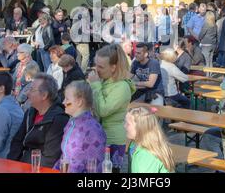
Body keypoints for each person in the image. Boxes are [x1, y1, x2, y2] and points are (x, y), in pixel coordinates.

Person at [87, 44, 135, 172]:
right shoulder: (104, 80)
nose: (96, 70)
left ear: (114, 67)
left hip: (112, 140)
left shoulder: (122, 87)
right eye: (95, 65)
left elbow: (103, 110)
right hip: (98, 136)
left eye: (101, 67)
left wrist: (95, 85)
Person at [8, 74, 69, 167]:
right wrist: (10, 165)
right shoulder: (30, 112)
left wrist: (23, 160)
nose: (27, 93)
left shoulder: (58, 119)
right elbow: (17, 141)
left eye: (32, 90)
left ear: (44, 95)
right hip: (22, 165)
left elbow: (50, 159)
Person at [54, 81, 107, 173]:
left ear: (79, 102)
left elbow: (95, 168)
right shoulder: (71, 122)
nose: (63, 102)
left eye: (67, 99)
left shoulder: (93, 130)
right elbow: (64, 156)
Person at [126, 107, 175, 173]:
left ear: (140, 128)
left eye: (128, 124)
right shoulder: (134, 143)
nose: (124, 126)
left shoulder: (146, 155)